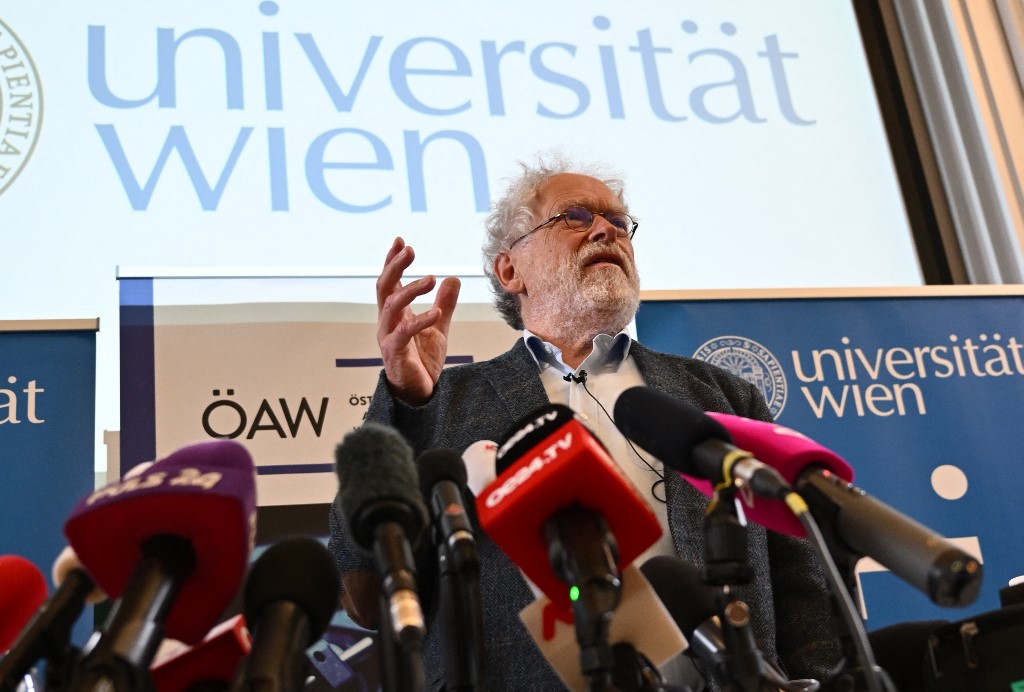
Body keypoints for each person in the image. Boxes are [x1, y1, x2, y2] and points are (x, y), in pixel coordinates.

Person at [328, 154, 840, 690]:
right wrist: (409, 405)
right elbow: (363, 592)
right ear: (510, 271)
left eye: (619, 223)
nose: (606, 231)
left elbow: (801, 578)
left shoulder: (719, 395)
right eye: (576, 217)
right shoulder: (446, 403)